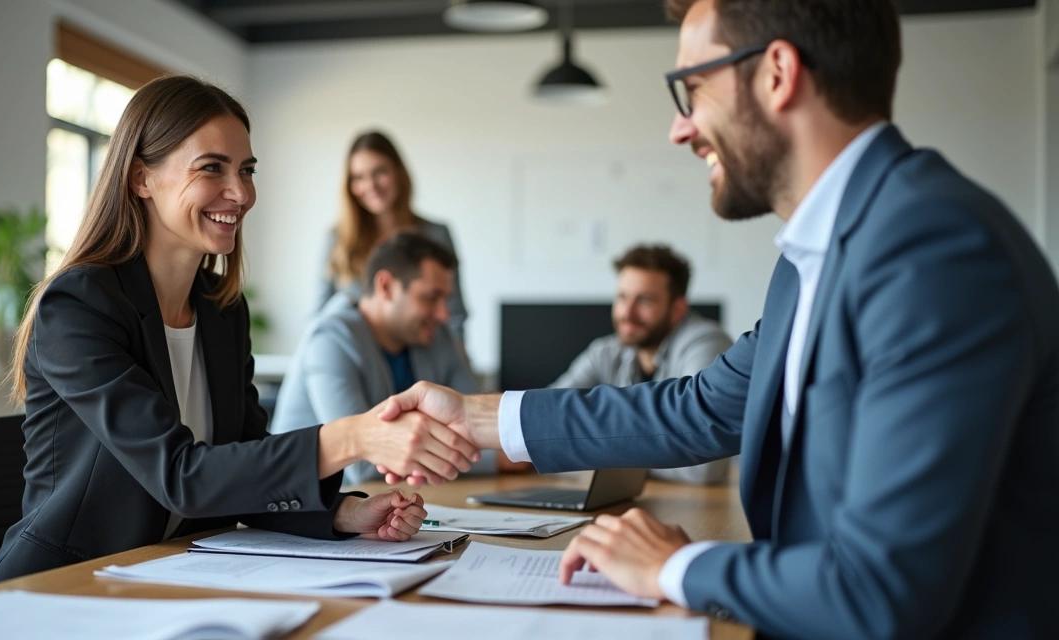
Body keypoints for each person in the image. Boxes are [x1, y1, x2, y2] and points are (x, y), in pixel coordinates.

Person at [374, 1, 1059, 637]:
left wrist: (674, 566)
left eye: (691, 89)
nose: (679, 128)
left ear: (778, 74)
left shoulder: (934, 254)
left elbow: (881, 590)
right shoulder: (813, 258)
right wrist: (479, 419)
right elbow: (701, 407)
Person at [0, 76, 480, 585]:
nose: (240, 193)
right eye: (211, 168)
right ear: (140, 179)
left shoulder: (222, 311)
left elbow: (239, 469)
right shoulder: (79, 306)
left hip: (175, 574)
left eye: (247, 170)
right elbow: (181, 475)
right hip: (66, 584)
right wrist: (356, 436)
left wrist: (341, 514)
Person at [274, 232, 527, 485]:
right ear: (386, 286)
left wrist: (496, 443)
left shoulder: (433, 336)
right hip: (309, 507)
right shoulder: (329, 340)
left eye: (445, 300)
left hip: (399, 500)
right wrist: (495, 459)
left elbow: (479, 422)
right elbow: (361, 464)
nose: (443, 314)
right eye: (430, 298)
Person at [551, 244, 732, 485]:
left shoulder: (706, 343)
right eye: (622, 297)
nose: (627, 312)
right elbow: (547, 421)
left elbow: (703, 467)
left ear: (677, 309)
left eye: (644, 301)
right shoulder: (605, 352)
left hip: (698, 507)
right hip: (633, 499)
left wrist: (589, 445)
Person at [316, 131, 468, 346]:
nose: (371, 185)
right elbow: (320, 315)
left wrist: (456, 370)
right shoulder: (337, 240)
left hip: (423, 358)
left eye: (379, 172)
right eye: (359, 177)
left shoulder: (436, 235)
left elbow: (454, 315)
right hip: (358, 358)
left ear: (398, 172)